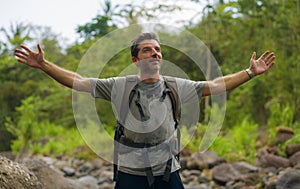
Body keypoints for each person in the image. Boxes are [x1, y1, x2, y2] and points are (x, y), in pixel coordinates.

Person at [14, 32, 275, 189]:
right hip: (130, 173)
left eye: (158, 49)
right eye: (147, 49)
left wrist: (250, 72)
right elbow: (80, 81)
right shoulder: (119, 86)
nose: (155, 53)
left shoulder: (176, 85)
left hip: (167, 171)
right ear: (135, 59)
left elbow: (217, 85)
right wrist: (46, 65)